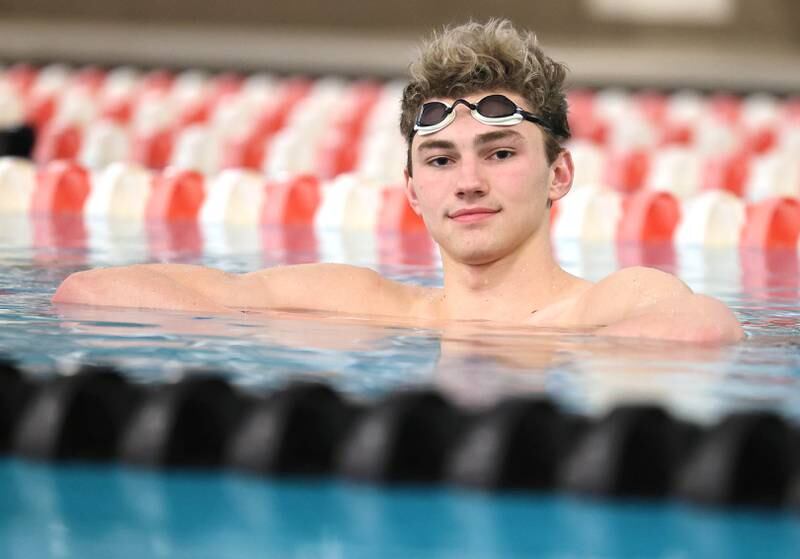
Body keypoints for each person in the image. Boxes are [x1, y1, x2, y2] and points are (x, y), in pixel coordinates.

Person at [52, 19, 743, 343]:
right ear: (412, 189)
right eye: (441, 160)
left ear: (558, 173)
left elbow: (707, 328)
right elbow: (88, 291)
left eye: (499, 153)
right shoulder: (364, 301)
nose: (467, 181)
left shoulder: (609, 303)